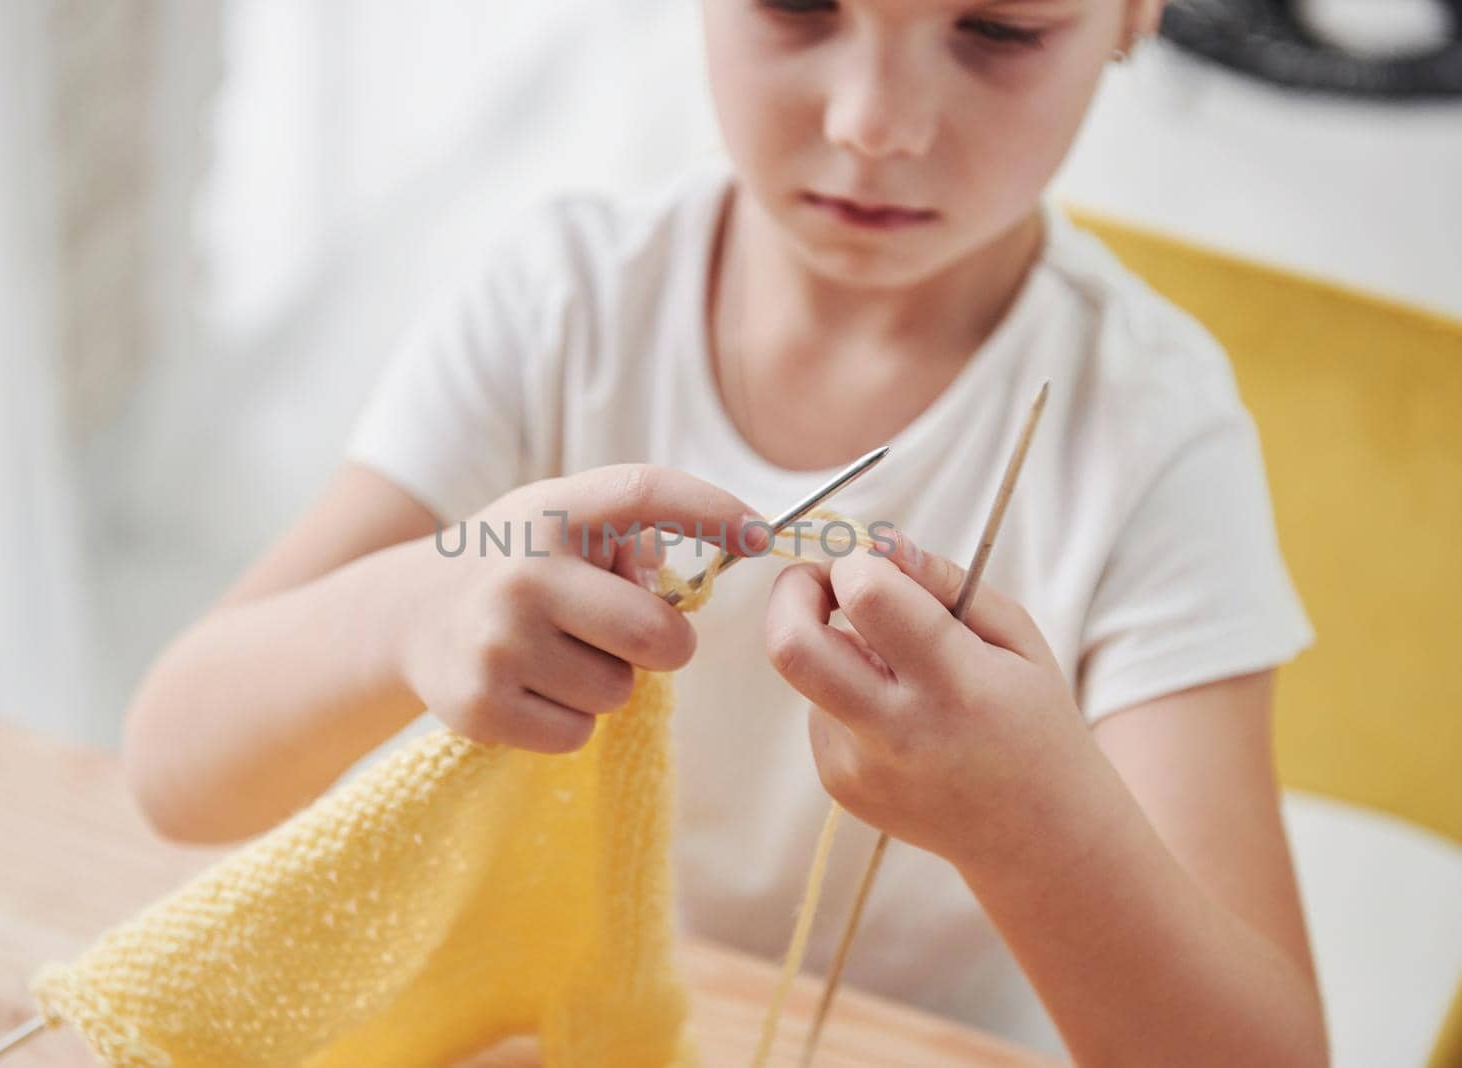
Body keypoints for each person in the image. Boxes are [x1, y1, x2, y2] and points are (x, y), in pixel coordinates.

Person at [122, 0, 1330, 1062]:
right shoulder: (564, 304)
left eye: (998, 30)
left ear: (1136, 11)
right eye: (798, 5)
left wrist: (1033, 825)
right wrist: (412, 609)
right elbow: (178, 764)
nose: (875, 122)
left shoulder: (1146, 436)